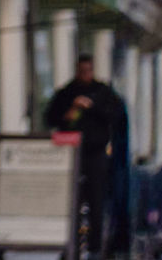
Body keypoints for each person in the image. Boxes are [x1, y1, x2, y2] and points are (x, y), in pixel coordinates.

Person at [48, 54, 127, 258]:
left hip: (96, 152)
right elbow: (52, 117)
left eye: (88, 71)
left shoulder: (102, 92)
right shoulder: (67, 93)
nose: (85, 75)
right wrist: (71, 110)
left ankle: (95, 246)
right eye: (82, 71)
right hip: (70, 152)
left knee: (96, 200)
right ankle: (71, 243)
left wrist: (92, 106)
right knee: (70, 200)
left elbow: (114, 115)